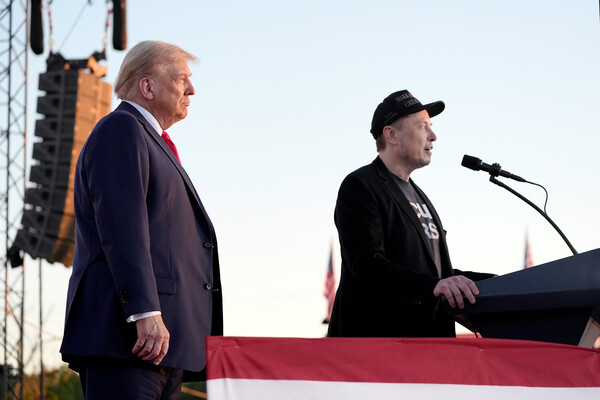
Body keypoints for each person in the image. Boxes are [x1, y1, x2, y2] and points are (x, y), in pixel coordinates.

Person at [60, 41, 223, 399]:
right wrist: (144, 312)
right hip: (128, 338)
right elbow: (123, 230)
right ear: (147, 87)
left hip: (162, 344)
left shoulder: (152, 142)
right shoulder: (122, 129)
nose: (191, 90)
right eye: (181, 79)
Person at [327, 90, 494, 338]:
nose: (433, 136)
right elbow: (368, 266)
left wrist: (500, 283)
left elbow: (436, 275)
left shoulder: (420, 197)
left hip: (429, 345)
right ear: (391, 134)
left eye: (431, 127)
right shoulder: (361, 186)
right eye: (422, 126)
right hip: (380, 345)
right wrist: (434, 286)